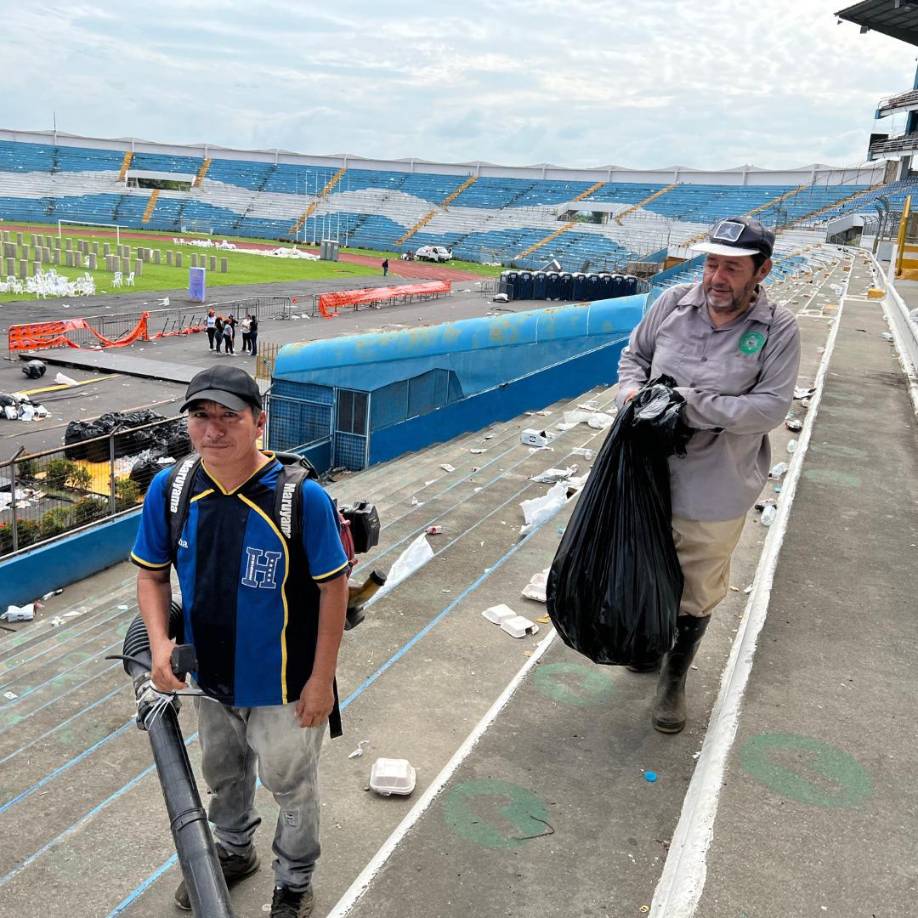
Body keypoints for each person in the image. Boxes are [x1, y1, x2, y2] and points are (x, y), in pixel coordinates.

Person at [131, 365, 349, 917]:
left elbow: (333, 590)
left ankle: (295, 879)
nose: (213, 430)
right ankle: (234, 851)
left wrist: (320, 682)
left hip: (284, 686)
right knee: (223, 776)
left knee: (290, 784)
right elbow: (152, 575)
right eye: (201, 416)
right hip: (209, 678)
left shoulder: (302, 500)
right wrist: (159, 646)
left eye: (229, 416)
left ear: (260, 423)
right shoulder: (173, 488)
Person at [616, 216, 800, 734]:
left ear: (761, 270)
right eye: (712, 263)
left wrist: (683, 405)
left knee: (695, 587)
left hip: (715, 484)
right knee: (643, 565)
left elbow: (768, 409)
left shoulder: (777, 329)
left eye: (733, 268)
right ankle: (650, 648)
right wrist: (633, 396)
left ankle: (673, 680)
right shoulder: (672, 302)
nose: (717, 277)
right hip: (645, 474)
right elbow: (634, 360)